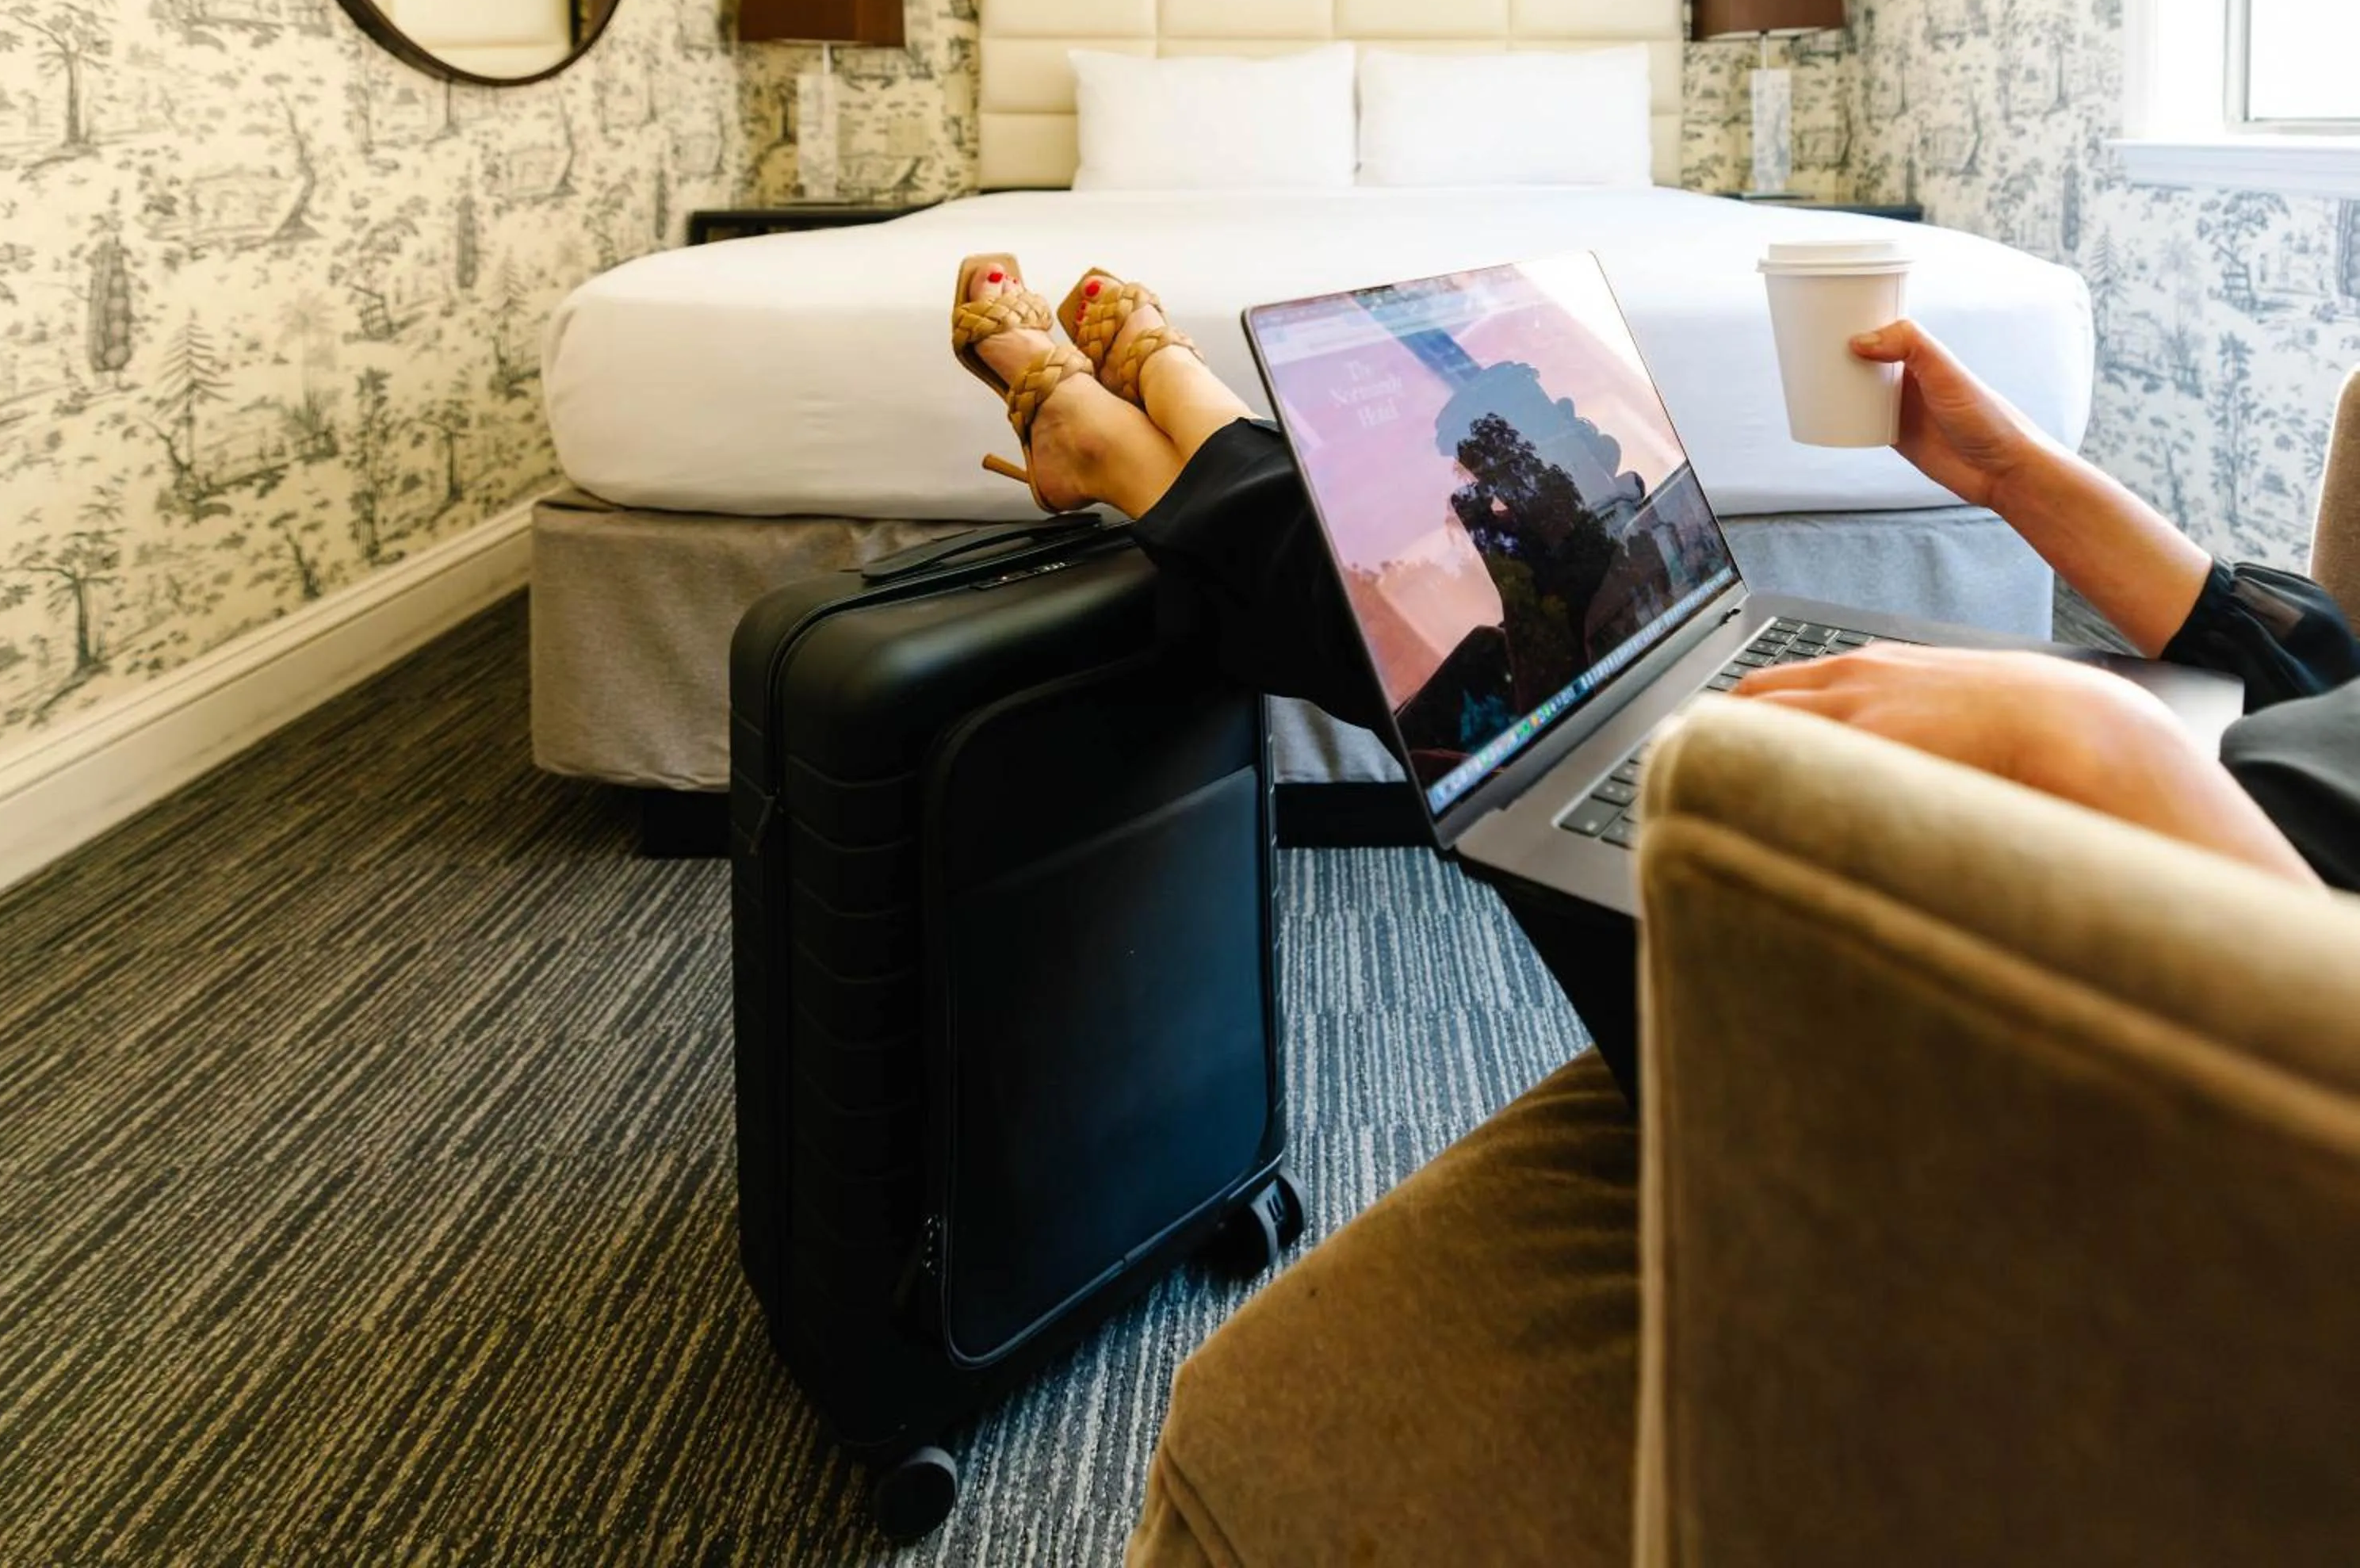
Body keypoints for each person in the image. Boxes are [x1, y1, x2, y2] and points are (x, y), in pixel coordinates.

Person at [952, 254, 2359, 1088]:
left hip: (2113, 1017)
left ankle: (1131, 426)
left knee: (1491, 691)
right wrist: (2009, 473)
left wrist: (2094, 743)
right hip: (2176, 810)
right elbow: (2315, 663)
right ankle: (1150, 433)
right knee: (1553, 631)